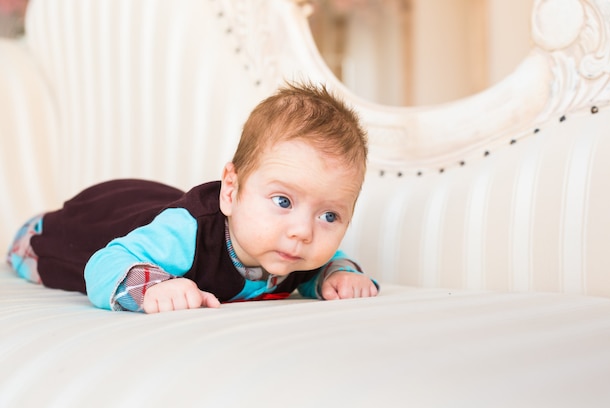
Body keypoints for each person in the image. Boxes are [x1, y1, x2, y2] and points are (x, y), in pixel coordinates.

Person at [6, 81, 378, 313]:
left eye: (329, 216)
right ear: (231, 191)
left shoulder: (294, 250)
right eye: (283, 201)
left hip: (161, 202)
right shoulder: (188, 233)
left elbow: (326, 265)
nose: (303, 232)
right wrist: (156, 287)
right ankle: (34, 230)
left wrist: (340, 274)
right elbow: (103, 267)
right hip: (88, 222)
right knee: (43, 247)